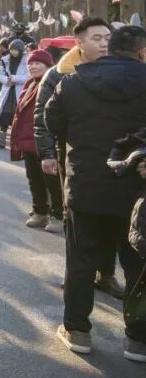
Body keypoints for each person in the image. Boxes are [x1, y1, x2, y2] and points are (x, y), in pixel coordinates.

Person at [44, 24, 146, 360]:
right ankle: (138, 338)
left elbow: (53, 121)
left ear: (110, 47)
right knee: (137, 261)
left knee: (81, 260)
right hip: (136, 186)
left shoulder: (73, 81)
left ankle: (77, 330)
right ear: (141, 52)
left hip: (86, 182)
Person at [35, 17, 123, 298]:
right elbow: (43, 116)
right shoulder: (59, 74)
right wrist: (47, 153)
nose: (104, 44)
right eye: (97, 38)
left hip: (116, 157)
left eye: (107, 38)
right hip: (72, 156)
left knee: (113, 217)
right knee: (75, 218)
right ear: (80, 43)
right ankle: (77, 275)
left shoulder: (121, 71)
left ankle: (105, 273)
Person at [8, 49, 62, 230]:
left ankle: (58, 215)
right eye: (30, 64)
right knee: (34, 179)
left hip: (47, 141)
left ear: (48, 65)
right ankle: (40, 212)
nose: (33, 67)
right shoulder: (30, 83)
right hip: (28, 140)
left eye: (38, 63)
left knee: (52, 181)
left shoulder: (54, 83)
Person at [0, 39, 30, 149]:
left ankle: (17, 141)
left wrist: (14, 78)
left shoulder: (28, 60)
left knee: (17, 116)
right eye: (11, 50)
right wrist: (7, 80)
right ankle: (1, 138)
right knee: (4, 113)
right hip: (8, 91)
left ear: (21, 50)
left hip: (20, 91)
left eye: (16, 50)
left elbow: (29, 76)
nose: (13, 52)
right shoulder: (5, 60)